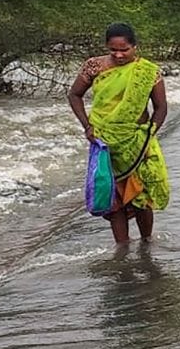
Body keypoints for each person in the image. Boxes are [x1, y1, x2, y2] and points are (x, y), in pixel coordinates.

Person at [68, 22, 170, 244]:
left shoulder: (148, 72)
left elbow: (161, 107)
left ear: (135, 47)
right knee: (113, 200)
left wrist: (149, 133)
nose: (119, 54)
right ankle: (121, 249)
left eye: (125, 49)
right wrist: (87, 126)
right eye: (113, 49)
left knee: (140, 197)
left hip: (137, 141)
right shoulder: (94, 67)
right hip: (104, 142)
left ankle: (146, 243)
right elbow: (74, 95)